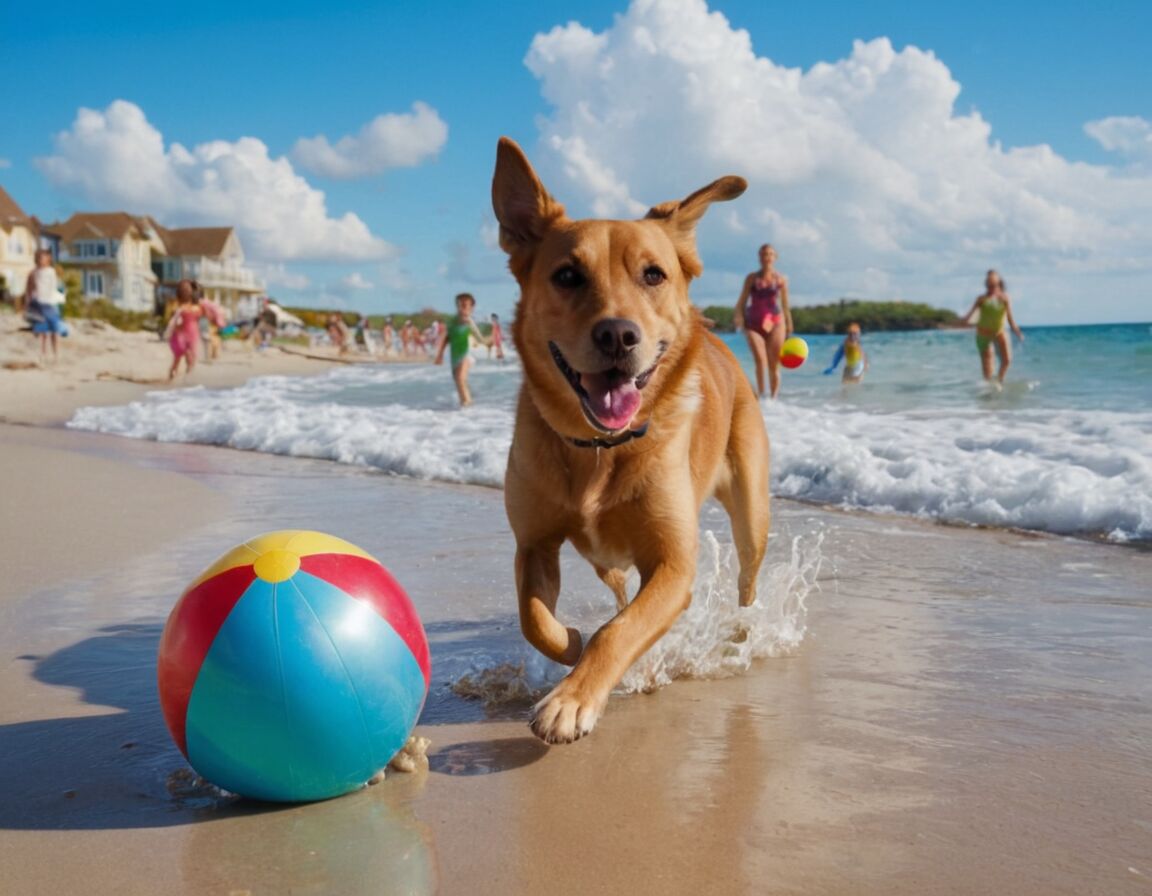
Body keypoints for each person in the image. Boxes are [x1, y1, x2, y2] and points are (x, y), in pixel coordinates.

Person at [734, 243, 793, 398]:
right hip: (753, 323)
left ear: (775, 258)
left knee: (774, 363)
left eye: (770, 254)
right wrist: (738, 316)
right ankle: (762, 398)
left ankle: (773, 399)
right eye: (763, 254)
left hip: (776, 322)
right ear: (759, 257)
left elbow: (785, 305)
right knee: (760, 360)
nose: (766, 257)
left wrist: (789, 323)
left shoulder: (781, 279)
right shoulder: (752, 278)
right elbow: (742, 300)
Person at [960, 269, 1024, 383]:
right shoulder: (981, 299)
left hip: (1000, 332)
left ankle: (999, 381)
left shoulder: (1005, 299)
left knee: (1007, 360)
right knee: (988, 368)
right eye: (988, 286)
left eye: (993, 285)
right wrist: (960, 322)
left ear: (999, 284)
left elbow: (1010, 319)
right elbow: (969, 316)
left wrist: (1017, 331)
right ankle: (989, 392)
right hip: (983, 335)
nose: (990, 289)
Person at [434, 292, 490, 406]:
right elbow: (447, 338)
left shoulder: (468, 321)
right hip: (455, 355)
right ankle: (465, 407)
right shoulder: (452, 321)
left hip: (466, 354)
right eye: (459, 305)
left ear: (471, 308)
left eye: (464, 305)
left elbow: (480, 338)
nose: (461, 308)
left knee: (460, 379)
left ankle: (467, 407)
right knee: (458, 381)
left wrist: (486, 341)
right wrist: (440, 355)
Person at [26, 249, 67, 361]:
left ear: (48, 259)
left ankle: (56, 354)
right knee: (43, 331)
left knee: (55, 330)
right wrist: (29, 302)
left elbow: (53, 288)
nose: (41, 260)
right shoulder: (34, 272)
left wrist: (56, 302)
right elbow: (30, 288)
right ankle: (43, 354)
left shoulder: (51, 271)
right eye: (39, 258)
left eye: (43, 257)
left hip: (50, 304)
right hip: (38, 303)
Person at [164, 279, 204, 380]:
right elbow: (172, 320)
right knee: (179, 358)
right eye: (183, 289)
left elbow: (203, 315)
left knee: (191, 359)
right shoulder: (177, 306)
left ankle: (187, 380)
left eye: (187, 289)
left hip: (192, 334)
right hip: (180, 334)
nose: (185, 291)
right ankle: (172, 379)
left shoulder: (198, 305)